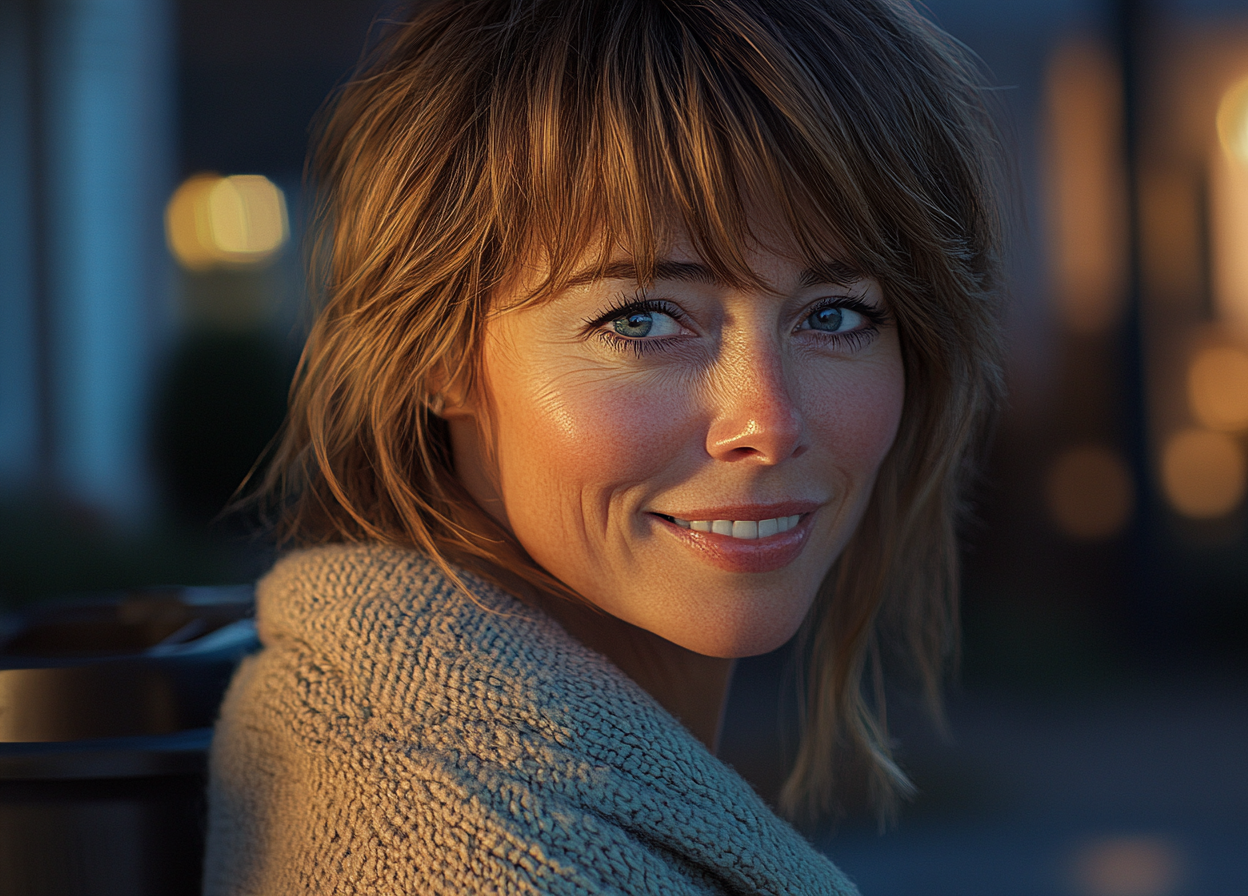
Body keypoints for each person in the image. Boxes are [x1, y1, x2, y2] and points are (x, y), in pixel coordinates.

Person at [203, 0, 1004, 892]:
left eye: (836, 314)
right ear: (437, 354)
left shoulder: (386, 741)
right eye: (645, 318)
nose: (769, 420)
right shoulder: (480, 865)